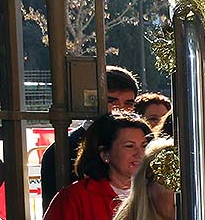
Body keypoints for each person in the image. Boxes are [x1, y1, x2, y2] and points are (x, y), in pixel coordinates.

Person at [41, 66, 140, 203]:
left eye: (128, 103)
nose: (120, 109)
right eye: (111, 101)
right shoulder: (62, 150)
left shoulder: (144, 144)